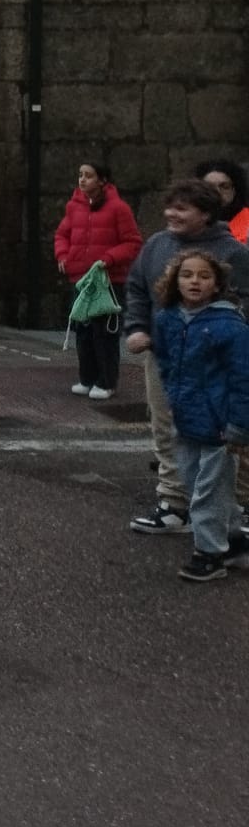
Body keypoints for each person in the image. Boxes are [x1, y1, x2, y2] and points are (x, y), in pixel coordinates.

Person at [122, 179, 249, 536]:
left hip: (215, 362)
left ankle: (237, 507)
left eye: (182, 209)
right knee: (167, 427)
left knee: (226, 434)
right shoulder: (157, 245)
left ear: (206, 214)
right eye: (170, 207)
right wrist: (135, 327)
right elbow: (136, 288)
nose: (170, 214)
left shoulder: (232, 252)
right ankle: (174, 502)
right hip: (166, 355)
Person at [148, 249, 249, 582]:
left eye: (204, 276)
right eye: (187, 275)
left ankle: (209, 553)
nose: (195, 281)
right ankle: (234, 539)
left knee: (210, 489)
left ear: (217, 284)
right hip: (187, 418)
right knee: (197, 485)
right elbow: (164, 360)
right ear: (175, 280)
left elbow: (242, 377)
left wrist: (239, 424)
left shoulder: (228, 324)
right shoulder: (168, 318)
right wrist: (173, 398)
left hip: (221, 424)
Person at [54, 161, 143, 399]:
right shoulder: (74, 207)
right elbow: (62, 234)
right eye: (80, 175)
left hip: (108, 281)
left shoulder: (118, 208)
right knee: (83, 331)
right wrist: (63, 255)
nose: (82, 180)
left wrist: (108, 258)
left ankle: (106, 381)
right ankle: (87, 378)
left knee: (104, 333)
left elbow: (132, 242)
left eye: (88, 176)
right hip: (81, 280)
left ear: (102, 180)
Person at [196, 158, 249, 244]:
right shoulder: (191, 221)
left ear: (235, 190)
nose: (217, 192)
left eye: (224, 186)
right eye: (209, 186)